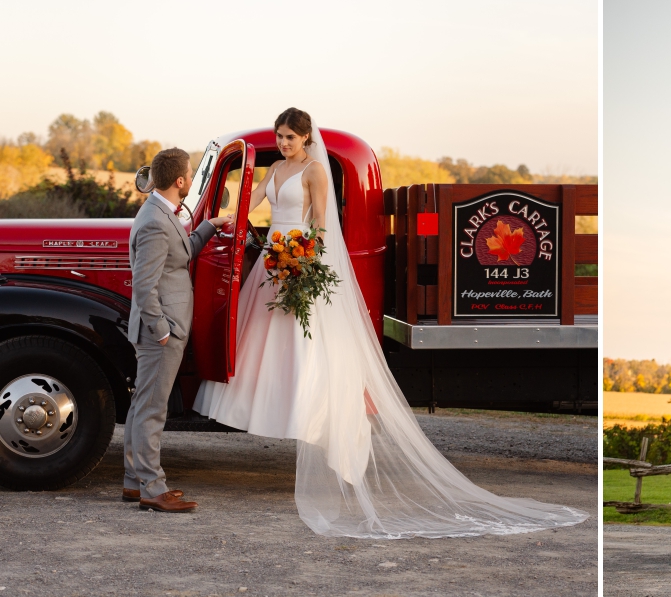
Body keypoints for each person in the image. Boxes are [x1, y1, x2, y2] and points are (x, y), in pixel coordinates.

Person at [194, 108, 586, 538]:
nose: (284, 144)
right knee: (267, 348)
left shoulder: (314, 171)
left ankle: (334, 433)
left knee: (311, 351)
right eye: (281, 137)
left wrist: (303, 264)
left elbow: (324, 226)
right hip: (272, 260)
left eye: (290, 137)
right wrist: (221, 219)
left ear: (306, 138)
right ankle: (278, 413)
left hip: (297, 259)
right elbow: (251, 204)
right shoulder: (276, 170)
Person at [124, 148, 230, 513]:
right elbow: (143, 285)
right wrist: (162, 330)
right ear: (180, 181)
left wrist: (209, 226)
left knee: (143, 405)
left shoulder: (159, 213)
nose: (191, 179)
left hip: (162, 328)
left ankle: (133, 482)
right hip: (161, 331)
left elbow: (180, 255)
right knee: (153, 410)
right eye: (189, 174)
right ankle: (153, 488)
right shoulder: (155, 220)